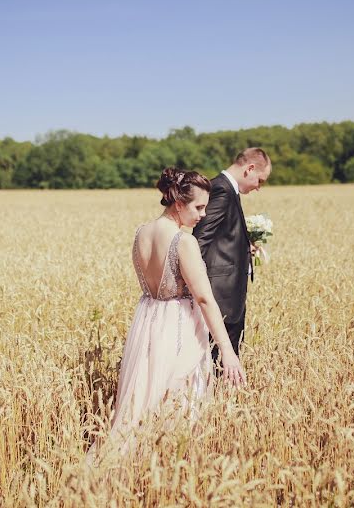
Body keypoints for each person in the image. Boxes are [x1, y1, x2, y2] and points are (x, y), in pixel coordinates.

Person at [89, 167, 246, 459]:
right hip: (179, 327)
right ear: (178, 203)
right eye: (198, 207)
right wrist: (226, 349)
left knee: (145, 399)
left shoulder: (141, 234)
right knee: (180, 402)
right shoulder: (183, 241)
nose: (203, 215)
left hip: (148, 321)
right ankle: (167, 464)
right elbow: (203, 297)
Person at [192, 148, 271, 371]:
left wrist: (245, 248)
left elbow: (220, 236)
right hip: (220, 296)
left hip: (226, 296)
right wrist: (198, 289)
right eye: (260, 181)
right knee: (218, 365)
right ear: (250, 169)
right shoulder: (222, 189)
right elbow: (199, 241)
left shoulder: (228, 190)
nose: (258, 187)